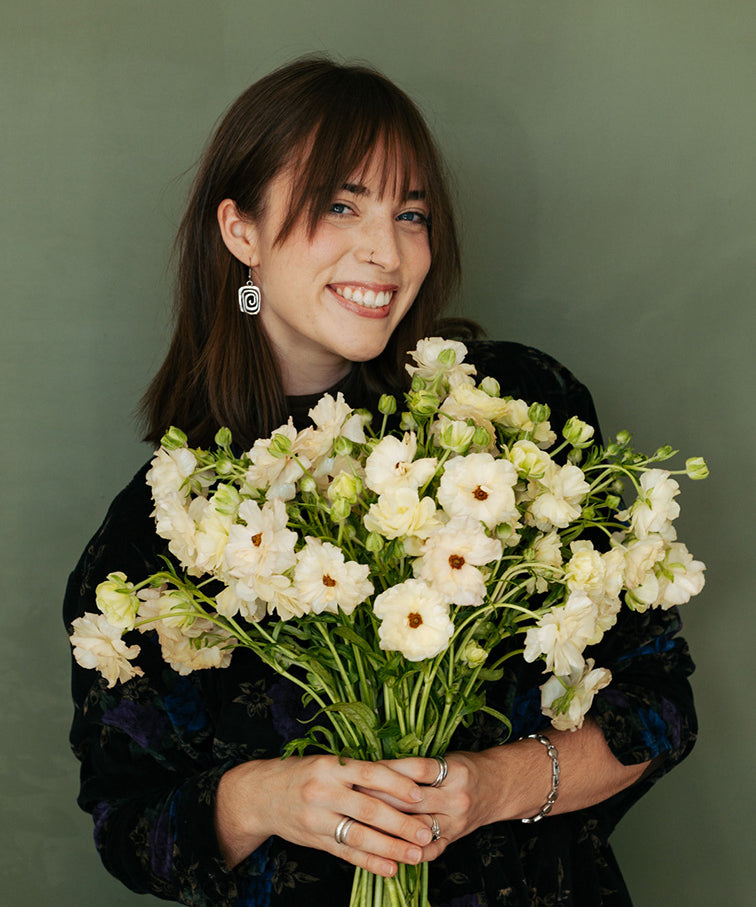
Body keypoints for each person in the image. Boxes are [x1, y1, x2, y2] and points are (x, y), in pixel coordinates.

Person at [64, 57, 696, 906]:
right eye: (340, 205)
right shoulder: (164, 526)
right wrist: (263, 797)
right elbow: (130, 824)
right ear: (239, 229)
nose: (387, 251)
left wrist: (492, 785)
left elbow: (657, 706)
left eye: (411, 213)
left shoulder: (510, 418)